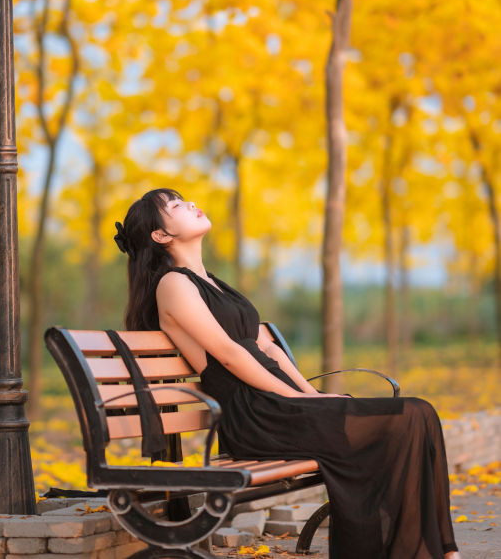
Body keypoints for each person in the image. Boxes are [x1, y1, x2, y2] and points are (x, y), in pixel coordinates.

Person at [114, 187, 460, 559]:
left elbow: (267, 346)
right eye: (178, 206)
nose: (193, 204)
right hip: (256, 415)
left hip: (276, 403)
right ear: (161, 236)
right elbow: (229, 355)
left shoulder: (212, 281)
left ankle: (438, 550)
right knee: (410, 416)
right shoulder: (174, 284)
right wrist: (293, 398)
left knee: (420, 413)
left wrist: (311, 396)